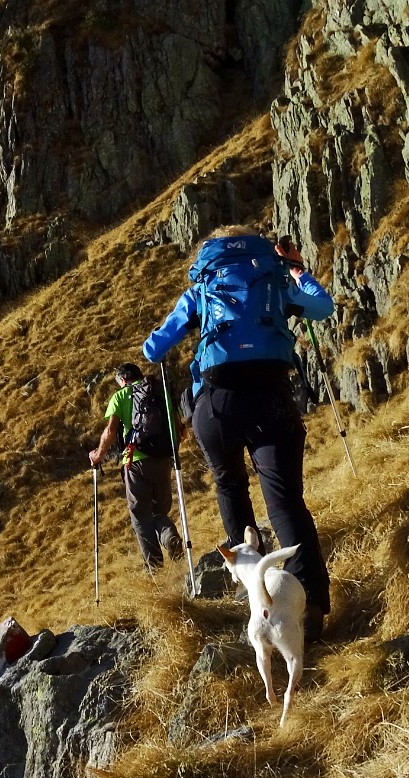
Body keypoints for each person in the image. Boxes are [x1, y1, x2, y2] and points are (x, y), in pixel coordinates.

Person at [142, 226, 334, 641]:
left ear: (211, 253)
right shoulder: (275, 278)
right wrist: (298, 270)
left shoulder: (205, 286)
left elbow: (154, 350)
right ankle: (312, 605)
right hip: (271, 396)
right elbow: (322, 308)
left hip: (218, 403)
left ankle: (258, 600)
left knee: (230, 485)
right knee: (285, 502)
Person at [88, 362, 179, 572]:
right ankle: (169, 535)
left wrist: (98, 454)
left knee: (140, 515)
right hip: (164, 459)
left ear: (122, 379)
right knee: (160, 511)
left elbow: (111, 430)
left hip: (135, 460)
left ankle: (154, 569)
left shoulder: (121, 396)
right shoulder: (159, 390)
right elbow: (177, 424)